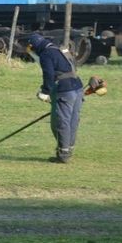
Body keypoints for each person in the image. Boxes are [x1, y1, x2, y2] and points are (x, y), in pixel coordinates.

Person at [26, 32, 82, 164]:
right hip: (78, 88)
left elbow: (48, 74)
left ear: (35, 47)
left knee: (62, 122)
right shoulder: (60, 49)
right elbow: (74, 64)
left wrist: (44, 92)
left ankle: (63, 155)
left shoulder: (46, 54)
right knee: (73, 121)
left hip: (65, 91)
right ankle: (69, 149)